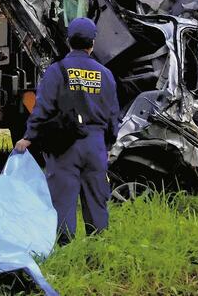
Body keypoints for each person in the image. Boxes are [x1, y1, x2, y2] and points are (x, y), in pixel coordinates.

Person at [14, 17, 120, 244]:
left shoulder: (56, 71)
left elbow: (42, 109)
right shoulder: (105, 75)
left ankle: (65, 250)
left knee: (62, 200)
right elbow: (113, 116)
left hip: (65, 145)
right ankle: (98, 249)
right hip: (95, 145)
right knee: (97, 200)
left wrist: (28, 138)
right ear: (92, 43)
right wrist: (108, 146)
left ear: (68, 41)